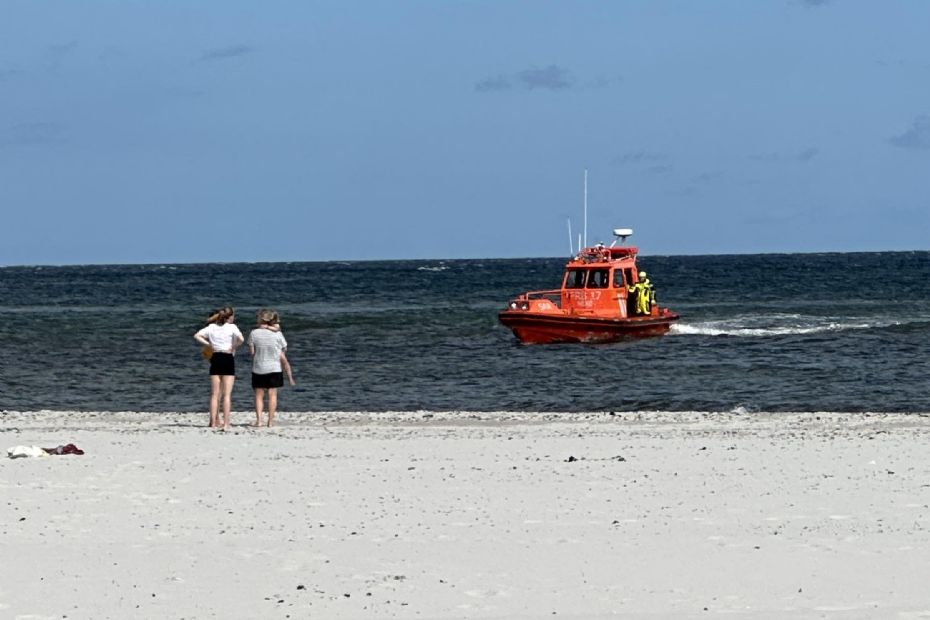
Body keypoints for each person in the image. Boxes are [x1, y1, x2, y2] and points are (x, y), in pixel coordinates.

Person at [194, 307, 244, 430]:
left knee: (214, 394)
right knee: (226, 395)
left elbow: (197, 335)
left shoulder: (211, 327)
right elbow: (241, 339)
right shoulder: (232, 327)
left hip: (216, 356)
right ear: (229, 317)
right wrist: (233, 346)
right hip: (227, 357)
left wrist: (209, 344)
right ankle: (226, 423)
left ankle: (212, 422)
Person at [248, 309, 296, 427]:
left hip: (259, 367)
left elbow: (252, 352)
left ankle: (259, 421)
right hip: (274, 367)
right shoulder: (278, 334)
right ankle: (270, 421)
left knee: (259, 396)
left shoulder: (254, 333)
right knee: (272, 395)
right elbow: (284, 348)